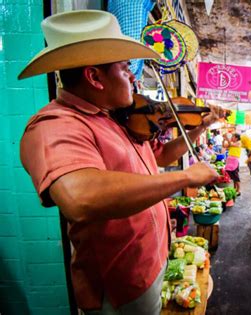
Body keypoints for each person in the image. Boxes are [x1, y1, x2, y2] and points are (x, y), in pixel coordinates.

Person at [18, 10, 225, 314]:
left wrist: (200, 128)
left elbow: (160, 157)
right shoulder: (55, 125)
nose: (133, 76)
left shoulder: (116, 120)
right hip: (119, 285)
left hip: (149, 266)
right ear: (94, 77)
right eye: (126, 67)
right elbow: (80, 197)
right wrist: (184, 178)